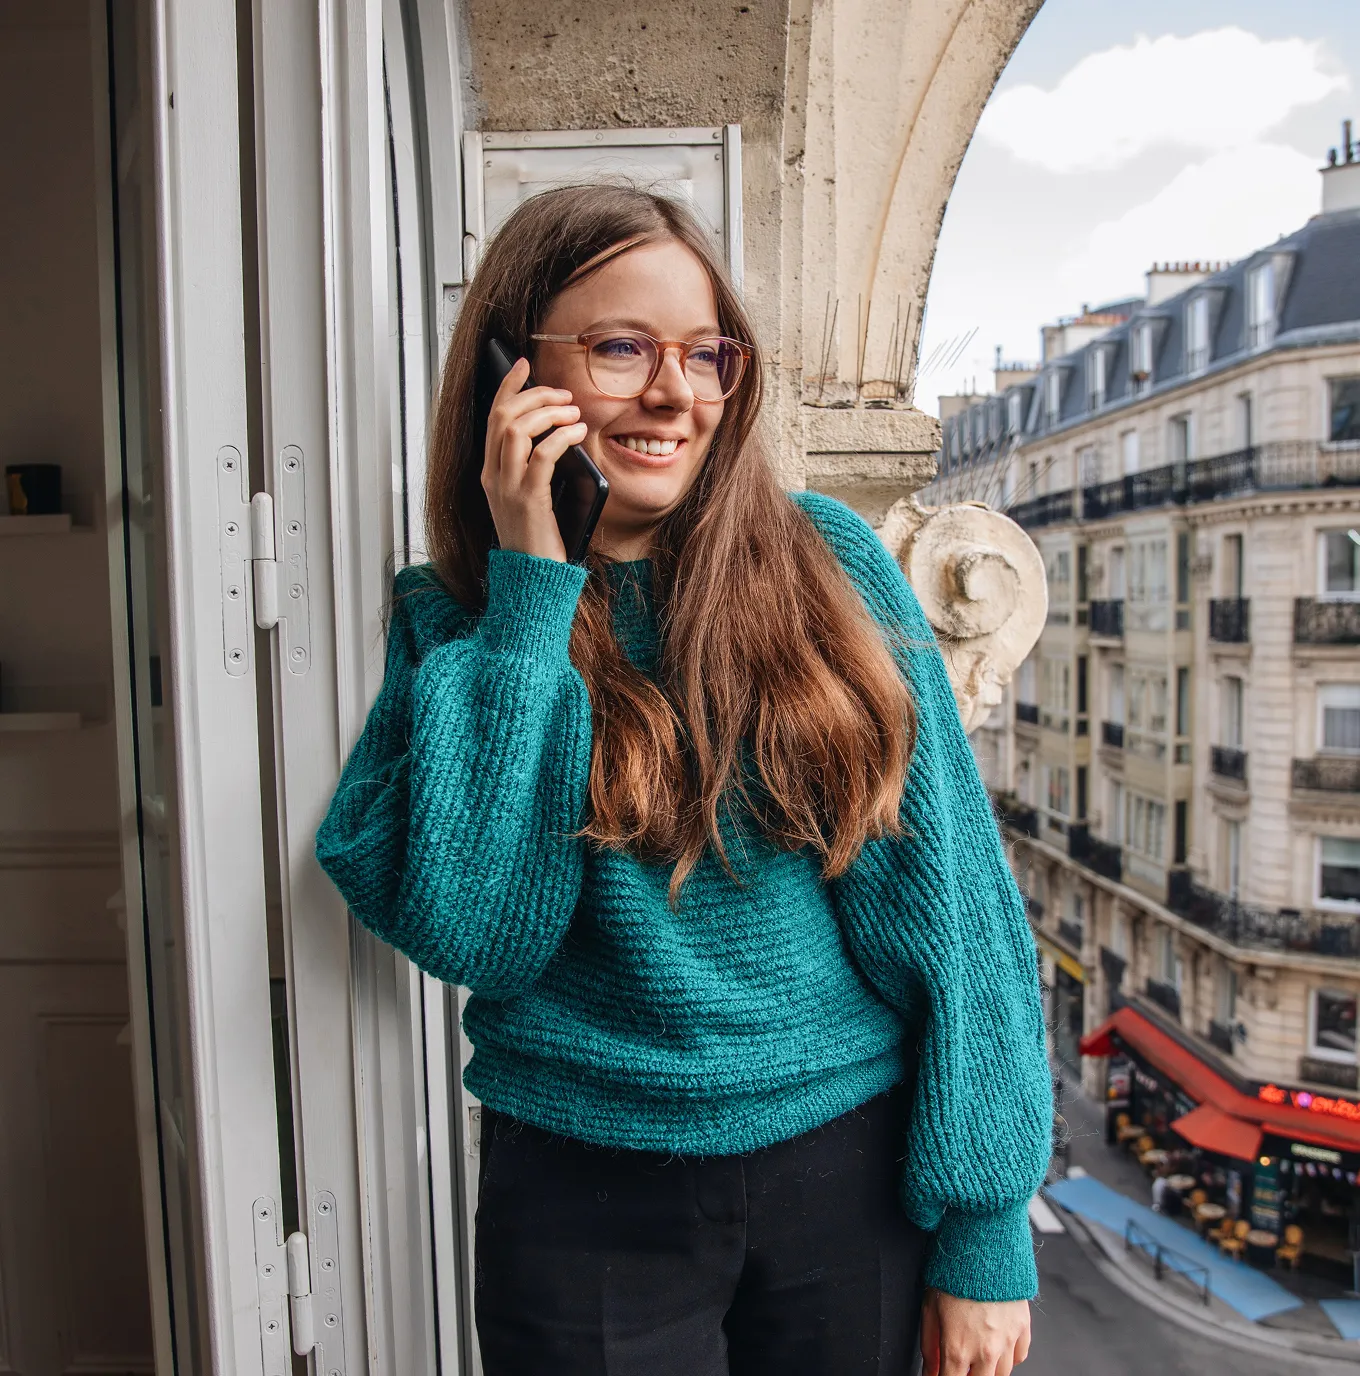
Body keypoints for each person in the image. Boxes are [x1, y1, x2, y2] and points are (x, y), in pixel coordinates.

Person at [316, 183, 1052, 1376]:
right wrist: (529, 597)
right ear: (514, 369)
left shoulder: (824, 562)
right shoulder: (454, 623)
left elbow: (954, 907)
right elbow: (477, 929)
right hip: (580, 1191)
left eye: (703, 352)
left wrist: (984, 1221)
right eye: (619, 347)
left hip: (844, 1169)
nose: (674, 392)